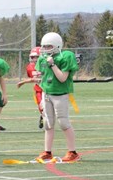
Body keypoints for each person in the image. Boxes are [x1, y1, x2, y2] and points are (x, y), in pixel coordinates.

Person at [34, 32, 80, 163]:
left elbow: (62, 78)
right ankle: (47, 152)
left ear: (57, 45)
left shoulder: (65, 56)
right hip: (47, 94)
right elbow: (42, 76)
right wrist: (38, 77)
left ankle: (73, 152)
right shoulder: (43, 58)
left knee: (63, 123)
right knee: (48, 124)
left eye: (49, 46)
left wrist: (53, 65)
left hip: (60, 94)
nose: (45, 49)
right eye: (44, 46)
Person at [17, 46, 44, 128]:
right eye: (32, 57)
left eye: (36, 57)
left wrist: (23, 82)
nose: (34, 59)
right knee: (42, 107)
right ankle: (43, 117)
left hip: (50, 89)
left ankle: (44, 117)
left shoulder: (46, 64)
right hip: (39, 89)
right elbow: (35, 79)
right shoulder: (30, 67)